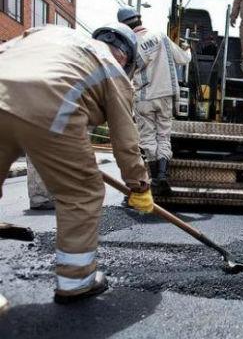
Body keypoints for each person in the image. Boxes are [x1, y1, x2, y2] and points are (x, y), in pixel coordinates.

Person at [0, 23, 154, 304]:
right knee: (81, 193)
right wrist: (139, 185)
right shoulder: (111, 68)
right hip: (48, 107)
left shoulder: (52, 33)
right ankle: (76, 281)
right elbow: (125, 140)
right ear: (125, 57)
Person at [117, 6, 191, 196]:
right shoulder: (161, 37)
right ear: (139, 19)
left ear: (124, 26)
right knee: (164, 136)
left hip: (144, 98)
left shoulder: (130, 46)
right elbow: (183, 59)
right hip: (165, 95)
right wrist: (188, 49)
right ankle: (163, 176)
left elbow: (123, 74)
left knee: (148, 137)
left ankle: (155, 178)